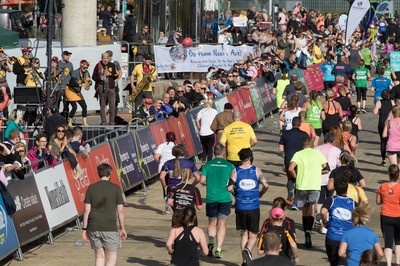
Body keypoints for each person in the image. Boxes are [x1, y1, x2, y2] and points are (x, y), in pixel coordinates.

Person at [228, 148, 269, 266]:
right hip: (253, 206)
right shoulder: (256, 170)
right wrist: (260, 194)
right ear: (250, 157)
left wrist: (236, 195)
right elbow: (266, 185)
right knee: (254, 234)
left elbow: (230, 187)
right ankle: (248, 250)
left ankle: (244, 261)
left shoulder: (235, 171)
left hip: (241, 206)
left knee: (244, 233)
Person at [82, 163, 127, 266]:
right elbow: (120, 211)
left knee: (99, 255)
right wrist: (122, 228)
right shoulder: (115, 188)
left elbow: (86, 210)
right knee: (111, 256)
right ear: (110, 173)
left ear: (99, 174)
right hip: (109, 226)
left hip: (93, 226)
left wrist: (84, 229)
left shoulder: (91, 188)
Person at [288, 136, 328, 249]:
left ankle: (306, 231)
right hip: (314, 186)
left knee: (304, 210)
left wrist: (296, 177)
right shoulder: (318, 154)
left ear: (302, 145)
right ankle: (309, 232)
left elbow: (290, 168)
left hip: (301, 186)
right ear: (311, 144)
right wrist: (317, 172)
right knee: (311, 209)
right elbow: (327, 168)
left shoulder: (298, 154)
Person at [200, 143, 234, 258]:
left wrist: (209, 183)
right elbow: (233, 182)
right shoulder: (230, 166)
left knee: (212, 222)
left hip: (211, 197)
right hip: (224, 197)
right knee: (222, 223)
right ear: (223, 152)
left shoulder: (208, 165)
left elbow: (202, 180)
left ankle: (210, 241)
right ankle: (218, 249)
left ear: (214, 152)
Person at [321, 177, 357, 266]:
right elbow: (360, 217)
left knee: (333, 261)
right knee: (344, 261)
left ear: (335, 189)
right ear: (347, 189)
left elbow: (323, 212)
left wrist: (325, 223)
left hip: (332, 236)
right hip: (347, 238)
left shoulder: (331, 199)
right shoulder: (353, 202)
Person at [278, 116, 309, 207]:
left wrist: (287, 149)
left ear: (292, 124)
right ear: (300, 124)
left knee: (290, 179)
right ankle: (296, 201)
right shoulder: (304, 135)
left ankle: (290, 192)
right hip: (301, 161)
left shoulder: (285, 134)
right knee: (299, 179)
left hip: (289, 160)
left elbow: (280, 149)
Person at [314, 132, 342, 234]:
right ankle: (327, 223)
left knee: (320, 199)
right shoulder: (336, 150)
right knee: (330, 200)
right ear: (333, 141)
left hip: (319, 177)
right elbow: (339, 164)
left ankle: (318, 216)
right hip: (331, 178)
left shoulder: (316, 149)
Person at [159, 145, 200, 213]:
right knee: (187, 211)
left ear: (173, 153)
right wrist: (192, 186)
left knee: (177, 212)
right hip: (186, 189)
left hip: (172, 189)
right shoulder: (190, 163)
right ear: (183, 152)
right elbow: (198, 178)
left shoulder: (168, 163)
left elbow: (161, 177)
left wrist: (165, 186)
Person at [376, 164, 400, 266]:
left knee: (388, 243)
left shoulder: (382, 187)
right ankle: (398, 262)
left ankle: (389, 264)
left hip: (386, 216)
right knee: (398, 241)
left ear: (388, 174)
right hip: (398, 216)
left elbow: (378, 201)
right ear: (398, 175)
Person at [92, 52, 119, 125]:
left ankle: (112, 121)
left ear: (109, 58)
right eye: (104, 58)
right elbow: (93, 77)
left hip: (111, 87)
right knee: (103, 105)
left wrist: (110, 74)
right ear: (101, 58)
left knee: (112, 106)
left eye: (106, 58)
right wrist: (100, 78)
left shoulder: (112, 65)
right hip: (101, 87)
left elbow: (116, 75)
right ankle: (103, 121)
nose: (105, 60)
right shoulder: (98, 65)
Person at [67, 60, 90, 127]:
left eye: (86, 67)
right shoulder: (76, 72)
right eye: (84, 67)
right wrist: (79, 85)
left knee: (84, 106)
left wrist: (88, 83)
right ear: (81, 66)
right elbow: (71, 83)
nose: (85, 69)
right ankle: (70, 122)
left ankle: (84, 122)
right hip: (70, 90)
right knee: (74, 107)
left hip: (77, 91)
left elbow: (88, 80)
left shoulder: (86, 73)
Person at [373, 90, 393, 166]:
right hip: (390, 122)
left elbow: (375, 112)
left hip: (382, 122)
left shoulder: (379, 102)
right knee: (390, 140)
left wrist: (379, 112)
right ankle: (391, 156)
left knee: (383, 141)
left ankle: (383, 159)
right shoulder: (392, 102)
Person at [196, 99, 218, 164]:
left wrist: (199, 127)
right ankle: (209, 163)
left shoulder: (201, 111)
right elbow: (216, 120)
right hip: (210, 132)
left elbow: (197, 120)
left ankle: (203, 162)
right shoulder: (214, 111)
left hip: (202, 133)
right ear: (211, 104)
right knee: (210, 148)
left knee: (204, 148)